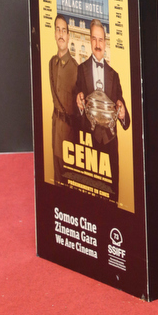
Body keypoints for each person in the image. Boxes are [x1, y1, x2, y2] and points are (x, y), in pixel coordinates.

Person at [76, 19, 130, 205]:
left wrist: (122, 114)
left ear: (105, 43)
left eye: (100, 40)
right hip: (88, 141)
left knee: (111, 194)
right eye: (94, 39)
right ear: (90, 40)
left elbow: (123, 112)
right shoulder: (81, 70)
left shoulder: (114, 75)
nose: (97, 44)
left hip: (109, 142)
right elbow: (75, 104)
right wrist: (78, 102)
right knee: (88, 193)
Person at [48, 14, 79, 185]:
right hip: (55, 128)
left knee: (69, 179)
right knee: (56, 177)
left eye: (64, 31)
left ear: (68, 35)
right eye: (58, 30)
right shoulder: (51, 63)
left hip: (69, 133)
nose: (61, 34)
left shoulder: (76, 69)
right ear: (55, 34)